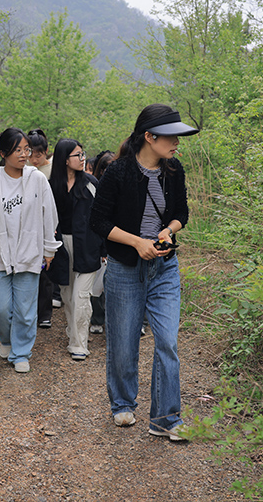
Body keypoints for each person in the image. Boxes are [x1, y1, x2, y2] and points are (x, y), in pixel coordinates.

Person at [89, 104, 199, 441]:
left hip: (164, 269)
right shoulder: (118, 173)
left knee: (167, 341)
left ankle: (165, 419)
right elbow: (99, 222)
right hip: (125, 269)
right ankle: (122, 401)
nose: (177, 143)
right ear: (149, 137)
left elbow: (181, 212)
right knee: (123, 343)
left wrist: (169, 230)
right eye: (171, 136)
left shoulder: (174, 170)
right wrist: (138, 242)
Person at [0, 128, 60, 373]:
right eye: (17, 150)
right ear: (3, 153)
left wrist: (48, 249)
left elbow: (48, 215)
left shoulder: (37, 179)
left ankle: (21, 352)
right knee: (0, 308)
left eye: (26, 150)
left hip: (29, 254)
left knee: (25, 309)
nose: (24, 155)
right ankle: (7, 339)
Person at [47, 139, 104, 361]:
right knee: (68, 296)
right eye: (77, 155)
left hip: (87, 245)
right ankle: (73, 333)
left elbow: (102, 218)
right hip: (61, 246)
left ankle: (80, 343)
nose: (82, 159)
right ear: (64, 159)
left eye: (82, 154)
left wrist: (103, 248)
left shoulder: (91, 184)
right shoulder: (50, 186)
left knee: (82, 297)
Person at [26, 128, 57, 326]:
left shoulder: (53, 170)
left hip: (48, 223)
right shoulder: (25, 171)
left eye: (39, 154)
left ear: (46, 152)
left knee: (45, 271)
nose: (34, 159)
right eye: (31, 154)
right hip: (29, 225)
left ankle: (45, 313)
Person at [88, 150, 114, 335]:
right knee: (97, 286)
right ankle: (96, 319)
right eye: (106, 168)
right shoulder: (94, 188)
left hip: (120, 241)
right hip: (99, 242)